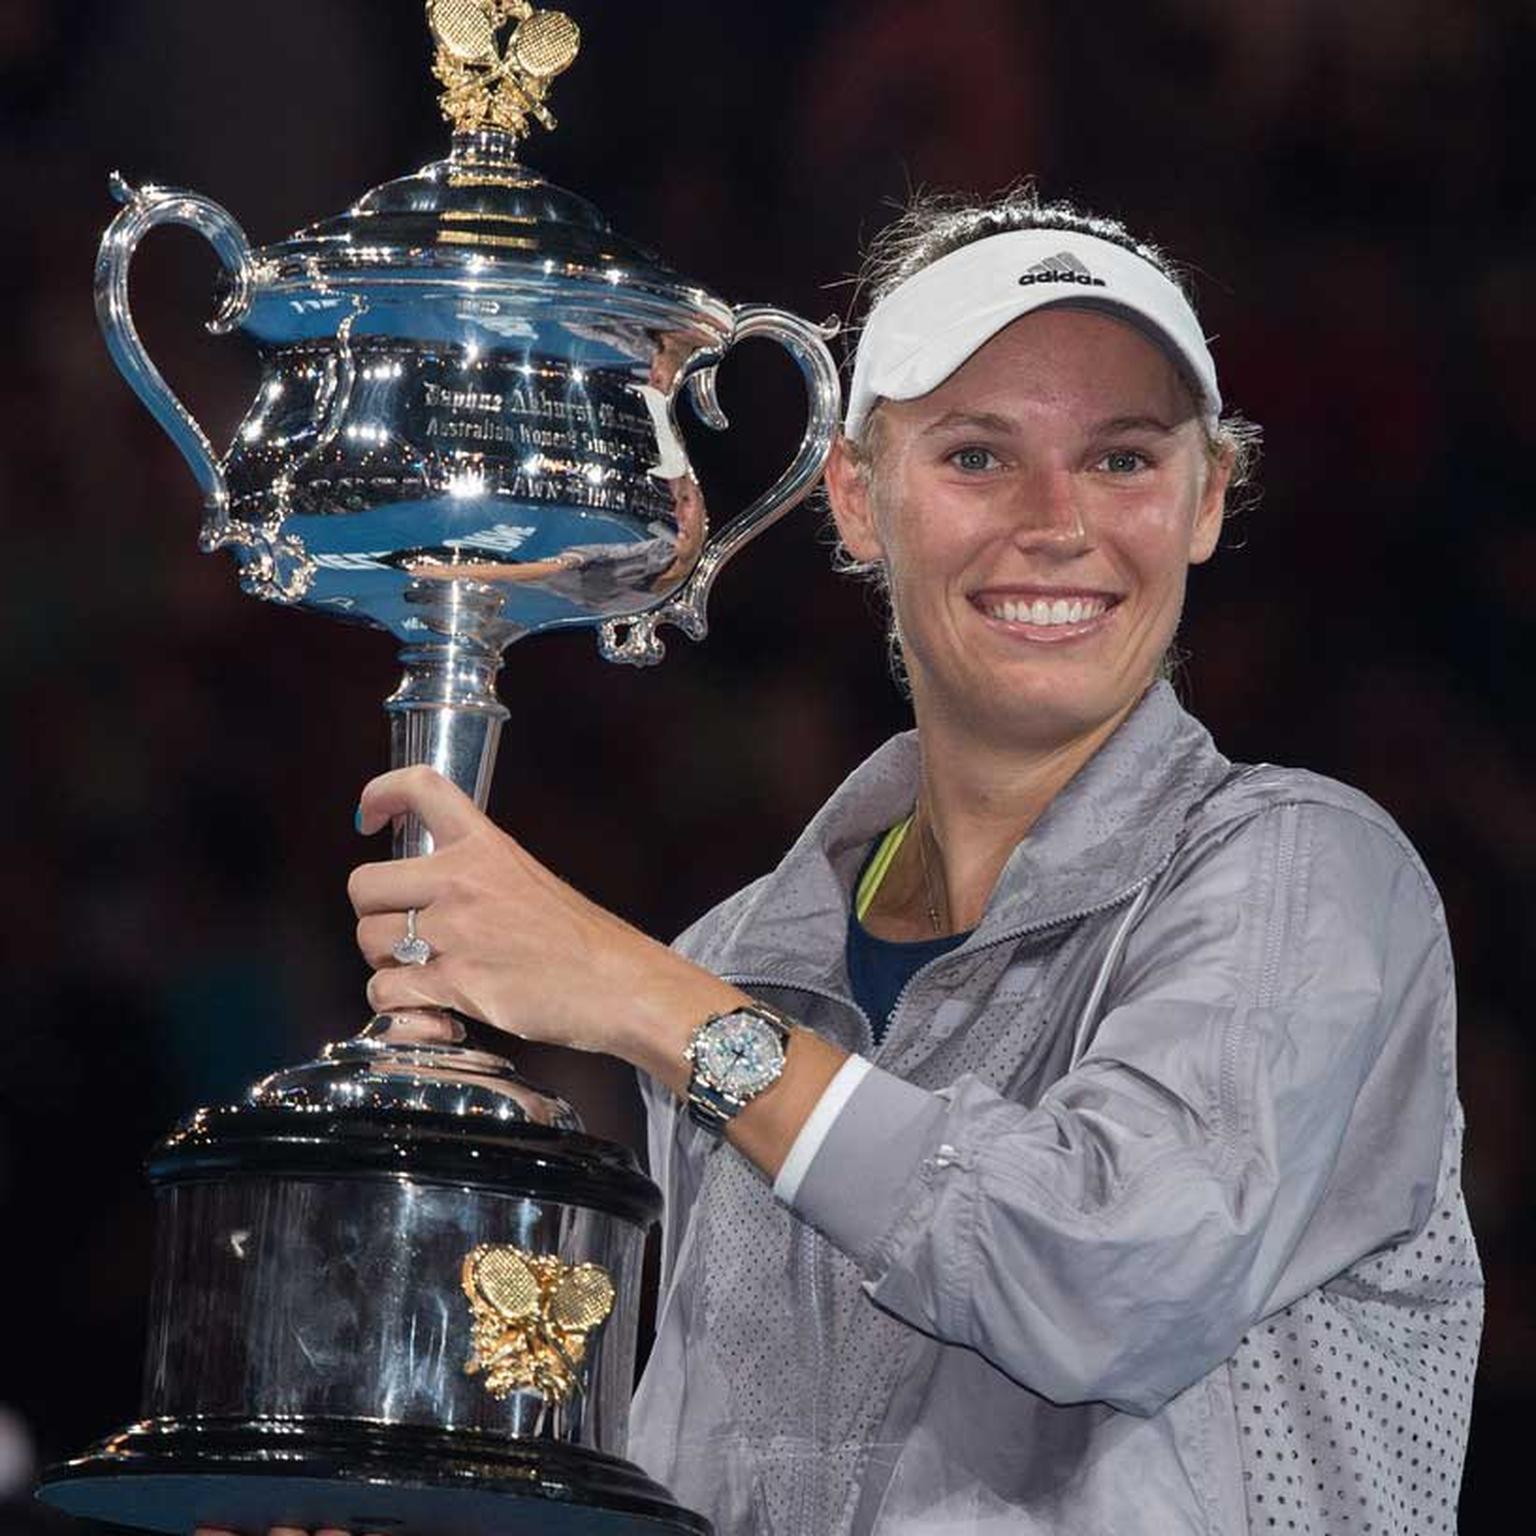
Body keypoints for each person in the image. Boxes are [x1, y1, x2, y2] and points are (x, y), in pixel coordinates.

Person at [338, 190, 1483, 1533]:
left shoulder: (1307, 873)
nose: (1057, 521)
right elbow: (706, 1480)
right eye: (978, 456)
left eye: (1123, 459)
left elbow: (1107, 1275)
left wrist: (651, 1004)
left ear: (1207, 499)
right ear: (856, 498)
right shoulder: (739, 956)